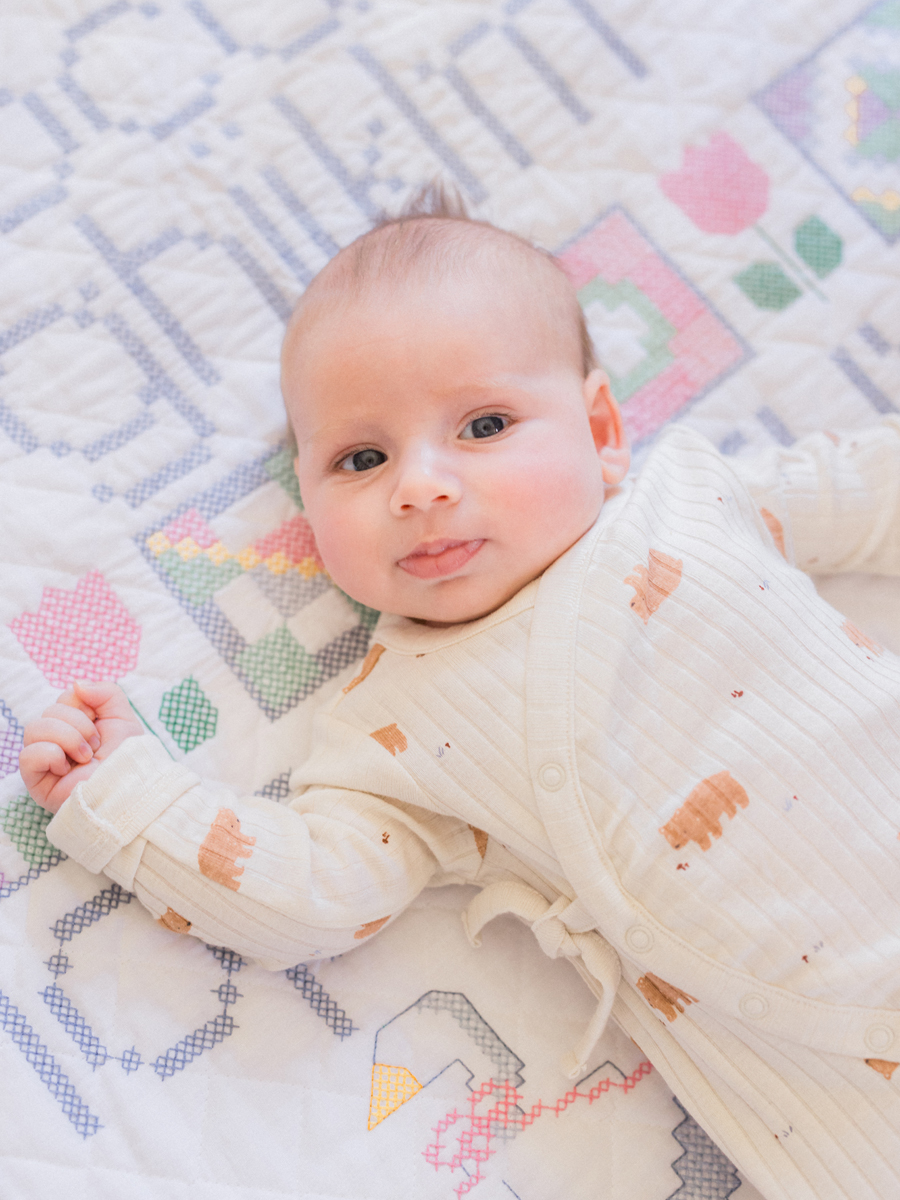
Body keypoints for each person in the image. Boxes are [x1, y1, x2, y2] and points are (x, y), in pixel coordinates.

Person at [18, 186, 900, 1200]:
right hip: (834, 1081)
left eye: (484, 424)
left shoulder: (694, 501)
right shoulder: (392, 725)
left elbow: (872, 492)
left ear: (602, 427)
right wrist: (127, 799)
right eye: (362, 457)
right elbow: (314, 897)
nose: (421, 486)